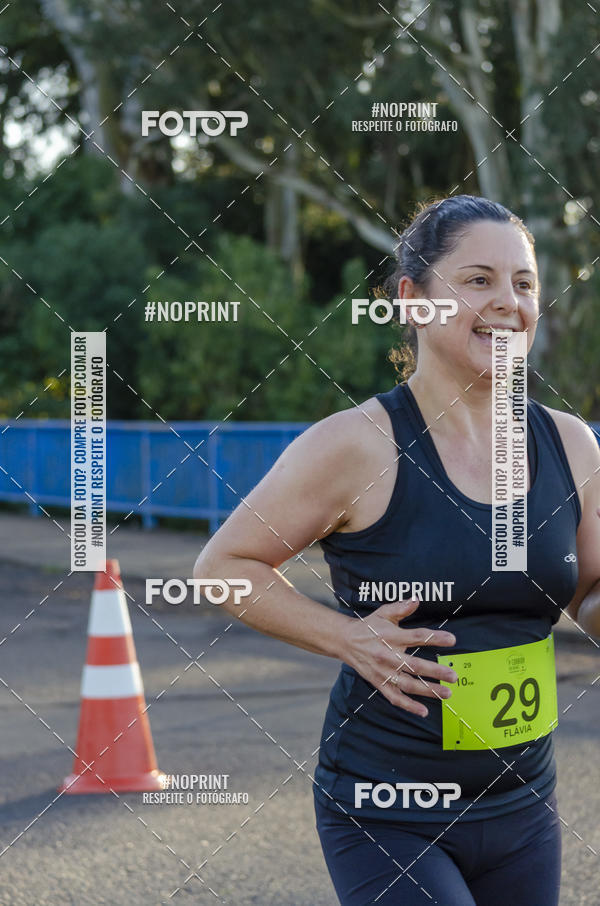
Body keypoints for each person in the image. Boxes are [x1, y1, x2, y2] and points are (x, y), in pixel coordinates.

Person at [193, 195, 600, 905]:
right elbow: (222, 568)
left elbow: (589, 593)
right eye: (478, 280)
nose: (508, 302)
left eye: (524, 283)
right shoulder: (357, 445)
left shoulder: (569, 443)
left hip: (522, 806)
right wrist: (345, 637)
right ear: (412, 300)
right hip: (389, 807)